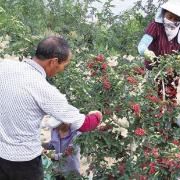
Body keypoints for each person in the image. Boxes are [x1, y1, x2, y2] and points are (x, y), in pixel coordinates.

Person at [0, 36, 103, 180]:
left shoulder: (4, 66)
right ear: (53, 62)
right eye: (64, 65)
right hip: (25, 162)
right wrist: (97, 115)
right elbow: (85, 124)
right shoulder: (45, 90)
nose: (62, 69)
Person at [138, 0, 180, 104]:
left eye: (177, 19)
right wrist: (146, 52)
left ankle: (167, 117)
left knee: (169, 98)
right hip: (154, 70)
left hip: (172, 71)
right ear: (164, 13)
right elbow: (142, 45)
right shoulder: (156, 26)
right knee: (151, 98)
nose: (172, 21)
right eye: (170, 17)